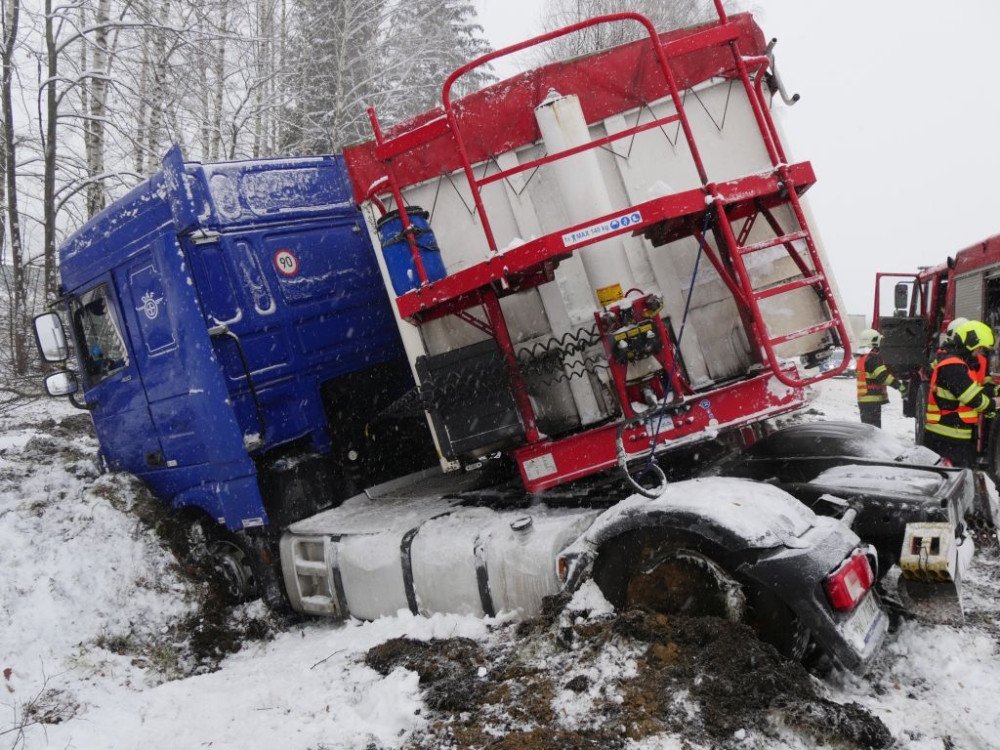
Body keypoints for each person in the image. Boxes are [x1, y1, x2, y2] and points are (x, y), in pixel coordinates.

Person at [923, 319, 995, 467]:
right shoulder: (953, 366)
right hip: (948, 439)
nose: (980, 353)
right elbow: (974, 399)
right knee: (951, 483)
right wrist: (994, 403)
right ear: (971, 343)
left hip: (951, 436)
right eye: (979, 348)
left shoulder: (957, 362)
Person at [856, 328, 905, 428]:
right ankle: (873, 444)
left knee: (868, 428)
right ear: (873, 341)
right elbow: (884, 377)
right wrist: (900, 387)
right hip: (872, 402)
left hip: (864, 401)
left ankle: (868, 443)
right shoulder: (873, 358)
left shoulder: (862, 359)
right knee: (874, 429)